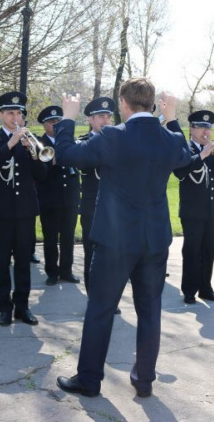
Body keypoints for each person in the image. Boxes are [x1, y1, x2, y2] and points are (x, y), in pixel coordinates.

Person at [54, 78, 197, 398]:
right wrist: (172, 116)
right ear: (152, 104)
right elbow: (186, 157)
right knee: (150, 311)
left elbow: (65, 155)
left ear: (123, 103)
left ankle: (89, 380)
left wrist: (68, 116)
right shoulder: (170, 139)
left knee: (101, 310)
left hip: (115, 241)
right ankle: (144, 380)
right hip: (155, 240)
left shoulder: (112, 137)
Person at [0, 91, 47, 326]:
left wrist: (35, 154)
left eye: (19, 112)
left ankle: (23, 307)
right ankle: (4, 309)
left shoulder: (32, 139)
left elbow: (42, 175)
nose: (15, 117)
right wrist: (11, 143)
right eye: (10, 113)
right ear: (0, 116)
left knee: (22, 262)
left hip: (25, 210)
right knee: (1, 262)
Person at [174, 110, 214, 303]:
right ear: (192, 129)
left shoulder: (213, 152)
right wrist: (202, 155)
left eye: (208, 128)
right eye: (202, 127)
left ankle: (206, 288)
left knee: (209, 250)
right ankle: (189, 290)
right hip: (192, 211)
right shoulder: (184, 149)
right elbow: (180, 172)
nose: (206, 132)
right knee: (192, 251)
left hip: (213, 210)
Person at [36, 105, 81, 285]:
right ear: (44, 124)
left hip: (69, 197)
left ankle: (66, 271)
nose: (55, 125)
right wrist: (50, 162)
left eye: (58, 122)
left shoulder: (68, 141)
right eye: (51, 122)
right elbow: (38, 173)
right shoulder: (39, 143)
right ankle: (52, 273)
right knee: (50, 238)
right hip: (49, 198)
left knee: (68, 236)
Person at [78, 97, 115, 292]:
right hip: (92, 207)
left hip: (114, 207)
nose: (106, 120)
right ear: (90, 120)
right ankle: (93, 295)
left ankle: (109, 295)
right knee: (91, 253)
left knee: (112, 254)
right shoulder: (84, 142)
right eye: (101, 116)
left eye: (108, 116)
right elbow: (82, 162)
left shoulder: (117, 141)